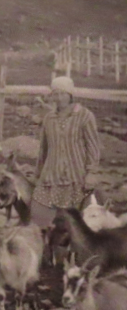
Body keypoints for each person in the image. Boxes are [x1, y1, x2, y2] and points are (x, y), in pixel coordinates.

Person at [29, 75, 102, 227]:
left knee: (77, 222)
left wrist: (91, 172)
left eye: (63, 94)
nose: (60, 98)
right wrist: (38, 173)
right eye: (56, 94)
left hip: (76, 177)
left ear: (70, 95)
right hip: (52, 176)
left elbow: (93, 145)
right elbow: (44, 149)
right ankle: (50, 248)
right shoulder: (49, 119)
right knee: (42, 217)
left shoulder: (84, 116)